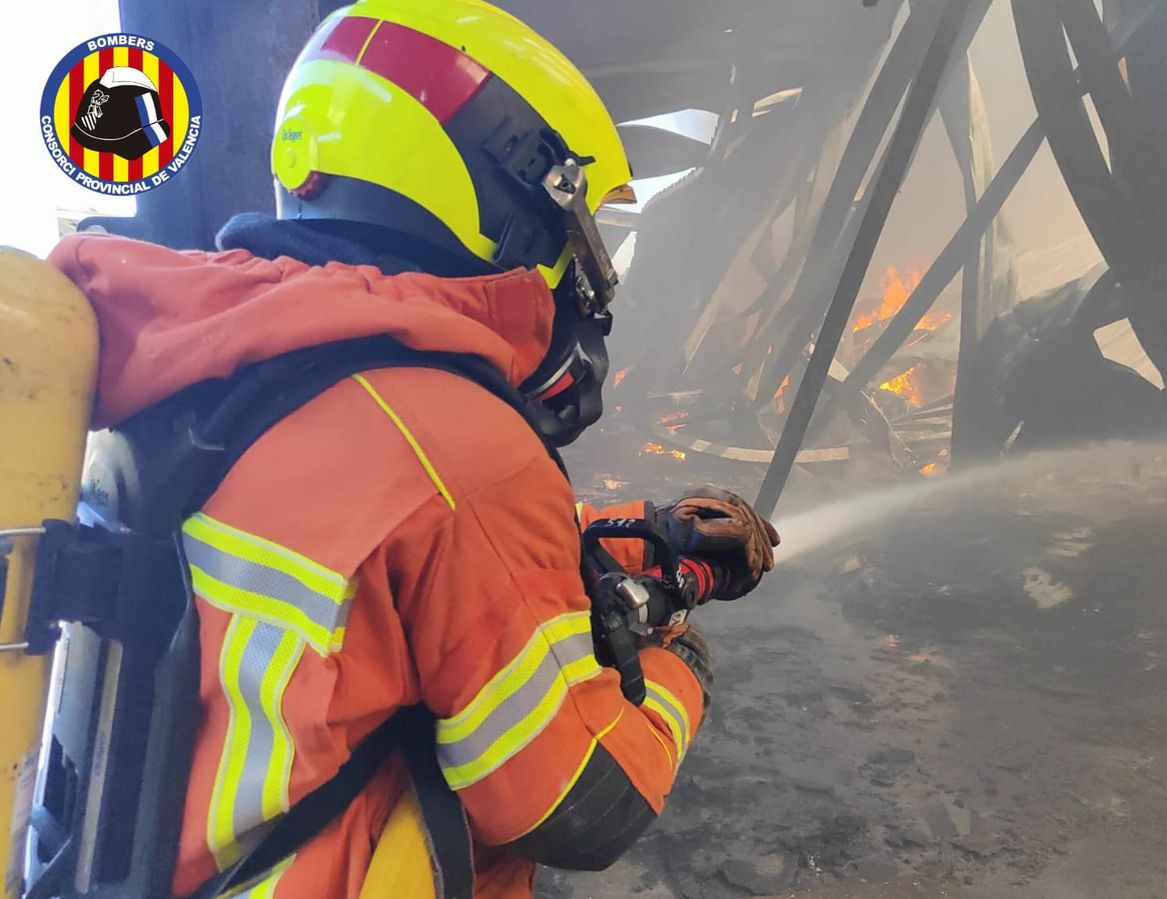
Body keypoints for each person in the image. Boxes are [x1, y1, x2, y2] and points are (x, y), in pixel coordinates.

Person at [46, 1, 778, 896]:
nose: (571, 279)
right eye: (569, 235)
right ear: (505, 197)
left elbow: (406, 556)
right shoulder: (456, 444)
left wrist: (649, 538)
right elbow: (584, 801)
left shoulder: (210, 355)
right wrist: (682, 667)